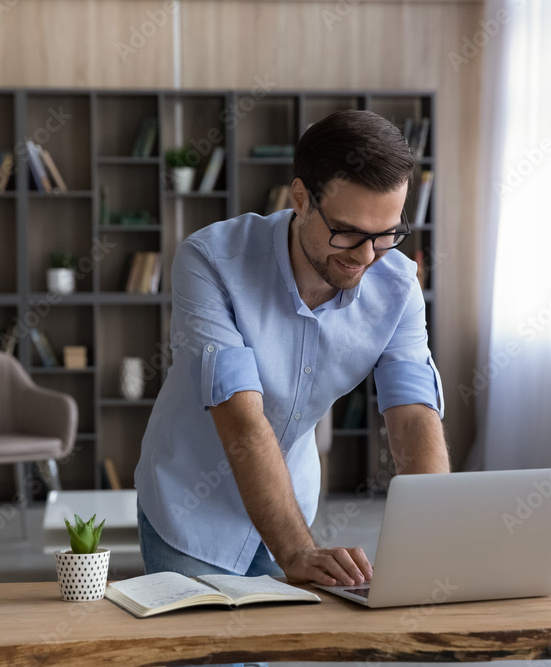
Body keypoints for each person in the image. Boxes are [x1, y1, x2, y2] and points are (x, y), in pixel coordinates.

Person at [133, 109, 449, 588]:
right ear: (300, 199)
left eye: (386, 235)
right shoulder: (211, 262)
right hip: (191, 511)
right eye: (348, 232)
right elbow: (241, 417)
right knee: (213, 659)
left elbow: (413, 414)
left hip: (289, 502)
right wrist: (297, 551)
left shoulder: (398, 283)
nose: (367, 257)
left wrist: (435, 541)